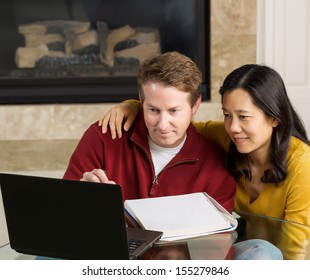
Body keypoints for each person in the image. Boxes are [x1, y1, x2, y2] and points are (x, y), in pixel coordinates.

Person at [65, 53, 282, 260]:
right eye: (153, 110)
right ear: (141, 100)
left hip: (181, 268)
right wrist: (84, 199)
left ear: (194, 106)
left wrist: (185, 254)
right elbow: (63, 218)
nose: (162, 124)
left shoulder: (216, 164)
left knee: (262, 252)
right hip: (112, 260)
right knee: (49, 257)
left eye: (173, 111)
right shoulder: (105, 136)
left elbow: (216, 253)